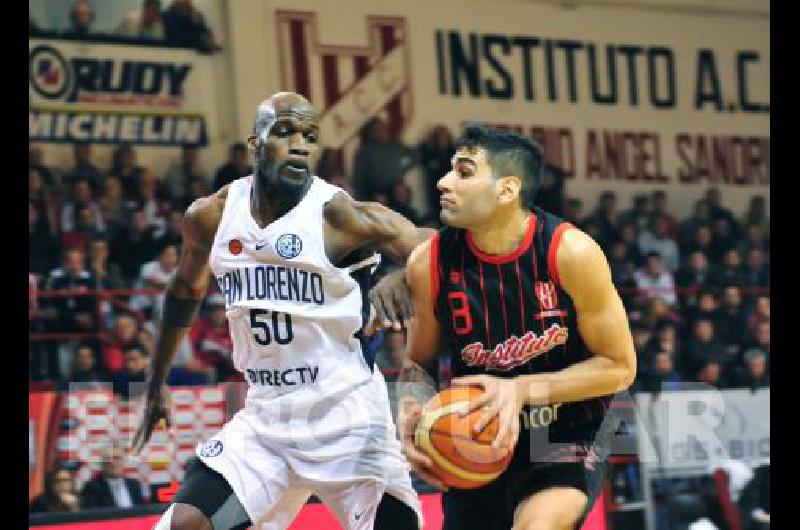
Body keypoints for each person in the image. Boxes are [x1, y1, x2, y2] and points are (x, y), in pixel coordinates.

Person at [134, 92, 431, 530]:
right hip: (268, 425)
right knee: (187, 526)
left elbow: (430, 243)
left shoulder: (337, 215)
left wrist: (404, 274)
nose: (299, 145)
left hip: (348, 422)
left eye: (310, 136)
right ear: (255, 143)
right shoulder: (211, 217)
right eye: (285, 131)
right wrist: (155, 382)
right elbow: (183, 291)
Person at [398, 125, 636, 530]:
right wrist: (410, 411)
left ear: (507, 190)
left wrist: (519, 389)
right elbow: (417, 365)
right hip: (475, 440)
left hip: (567, 431)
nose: (443, 182)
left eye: (464, 172)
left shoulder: (571, 252)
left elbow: (619, 366)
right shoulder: (428, 263)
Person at [81, 446, 146, 508]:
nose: (112, 462)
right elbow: (93, 515)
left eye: (116, 458)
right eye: (108, 458)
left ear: (124, 461)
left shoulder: (134, 485)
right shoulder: (92, 487)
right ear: (102, 463)